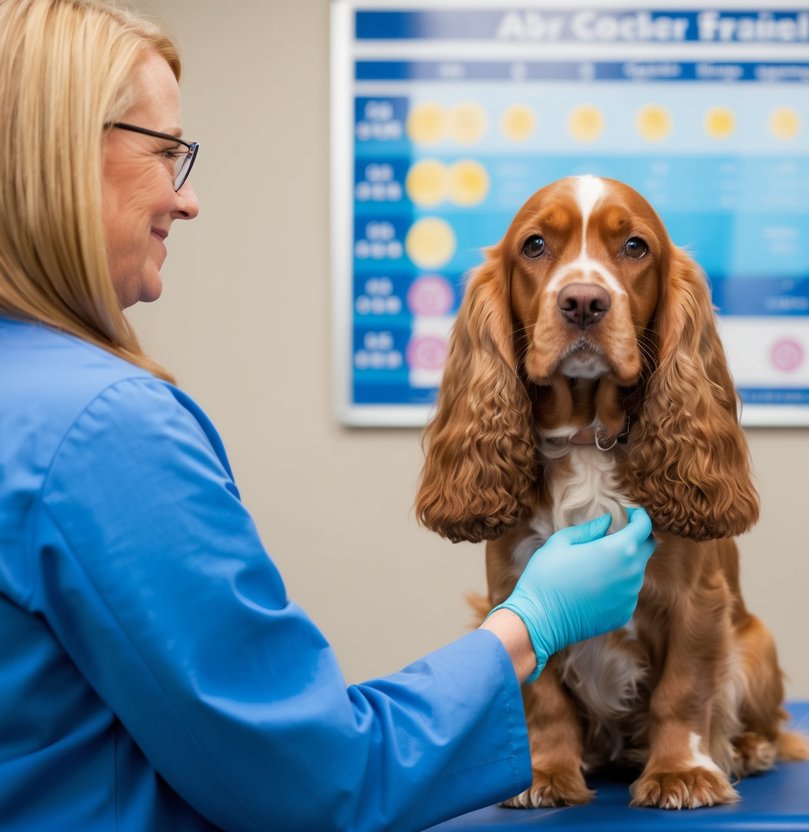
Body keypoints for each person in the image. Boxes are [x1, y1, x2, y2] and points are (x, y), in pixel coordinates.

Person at [0, 1, 656, 829]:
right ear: (57, 156)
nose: (188, 198)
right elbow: (315, 785)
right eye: (167, 154)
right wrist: (527, 626)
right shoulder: (101, 429)